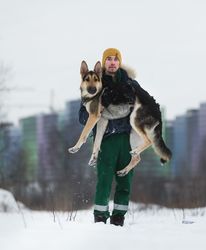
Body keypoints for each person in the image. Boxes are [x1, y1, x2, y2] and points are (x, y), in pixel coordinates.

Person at [79, 48, 138, 226]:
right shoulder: (95, 83)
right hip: (106, 140)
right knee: (104, 180)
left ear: (119, 62)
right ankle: (100, 217)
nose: (112, 62)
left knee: (125, 182)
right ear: (104, 63)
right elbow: (82, 116)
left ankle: (119, 217)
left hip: (128, 140)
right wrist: (99, 109)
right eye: (109, 59)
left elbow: (143, 106)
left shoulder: (131, 83)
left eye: (115, 59)